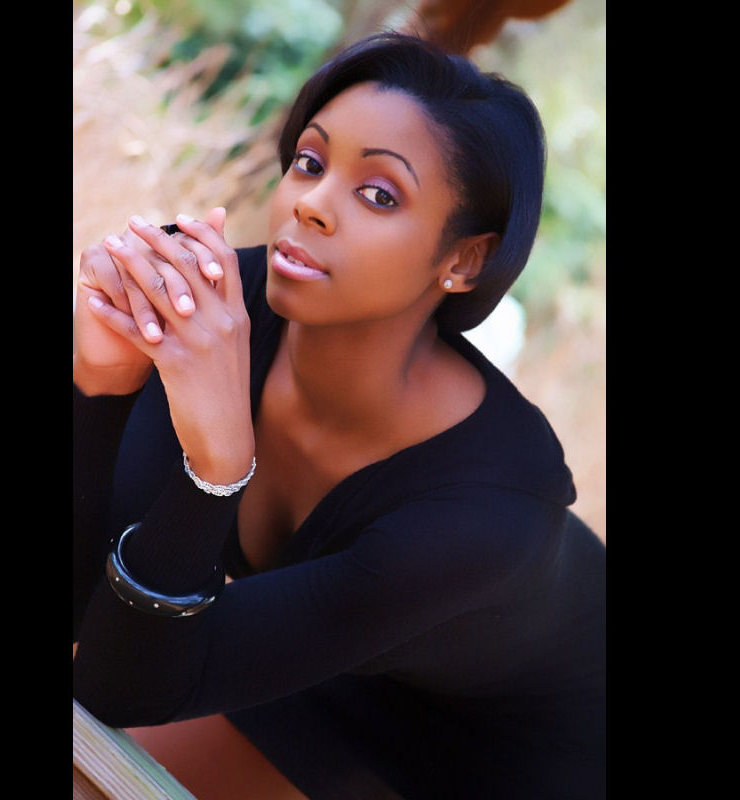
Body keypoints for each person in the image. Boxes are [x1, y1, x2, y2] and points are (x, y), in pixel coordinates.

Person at [73, 31, 606, 799]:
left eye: (379, 194)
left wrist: (218, 467)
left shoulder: (487, 515)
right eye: (310, 163)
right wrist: (101, 384)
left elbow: (122, 685)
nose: (311, 205)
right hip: (317, 659)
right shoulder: (219, 317)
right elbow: (98, 627)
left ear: (463, 259)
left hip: (525, 759)